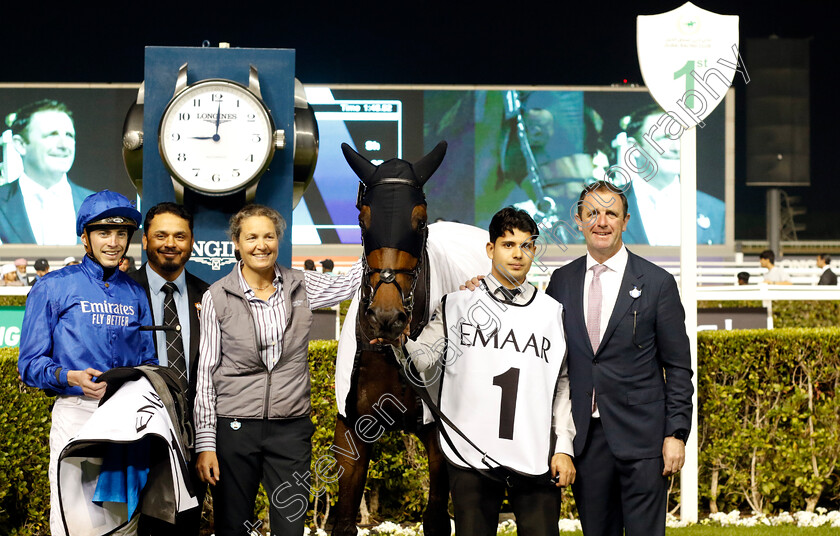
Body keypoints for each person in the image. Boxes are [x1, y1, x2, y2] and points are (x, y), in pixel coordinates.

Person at [396, 207, 575, 536]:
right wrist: (399, 339)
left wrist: (563, 446)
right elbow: (422, 361)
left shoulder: (552, 313)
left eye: (526, 245)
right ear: (490, 249)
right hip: (470, 453)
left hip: (535, 453)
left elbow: (561, 386)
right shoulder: (457, 304)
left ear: (534, 249)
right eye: (508, 245)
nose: (517, 254)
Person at [193, 204, 363, 535]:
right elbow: (206, 374)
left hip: (290, 431)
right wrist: (206, 443)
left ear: (278, 240)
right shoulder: (218, 296)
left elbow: (353, 283)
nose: (261, 245)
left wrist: (380, 234)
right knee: (232, 527)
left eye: (269, 236)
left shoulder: (302, 285)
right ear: (237, 244)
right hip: (234, 429)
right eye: (251, 237)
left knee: (289, 528)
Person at [545, 180, 693, 536]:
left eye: (611, 213)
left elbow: (678, 367)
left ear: (625, 221)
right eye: (592, 212)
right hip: (587, 441)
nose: (602, 221)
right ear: (578, 220)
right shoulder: (560, 282)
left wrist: (676, 433)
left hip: (644, 440)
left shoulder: (657, 283)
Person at [17, 189, 156, 536]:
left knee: (121, 524)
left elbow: (148, 358)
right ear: (85, 237)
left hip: (126, 420)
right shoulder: (52, 287)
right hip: (75, 414)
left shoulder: (135, 292)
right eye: (103, 233)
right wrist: (70, 377)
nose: (114, 242)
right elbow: (29, 364)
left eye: (121, 233)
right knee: (76, 523)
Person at [128, 202, 209, 536]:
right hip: (133, 438)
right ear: (145, 241)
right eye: (160, 235)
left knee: (184, 529)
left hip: (190, 443)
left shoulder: (210, 295)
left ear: (191, 242)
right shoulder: (121, 292)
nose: (170, 243)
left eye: (180, 236)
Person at [617, 103, 725, 246]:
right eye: (665, 137)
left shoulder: (715, 211)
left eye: (680, 138)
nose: (677, 148)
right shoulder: (602, 209)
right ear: (634, 148)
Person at [0, 99, 95, 245]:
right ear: (20, 144)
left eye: (69, 135)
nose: (64, 145)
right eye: (52, 134)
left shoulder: (97, 205)